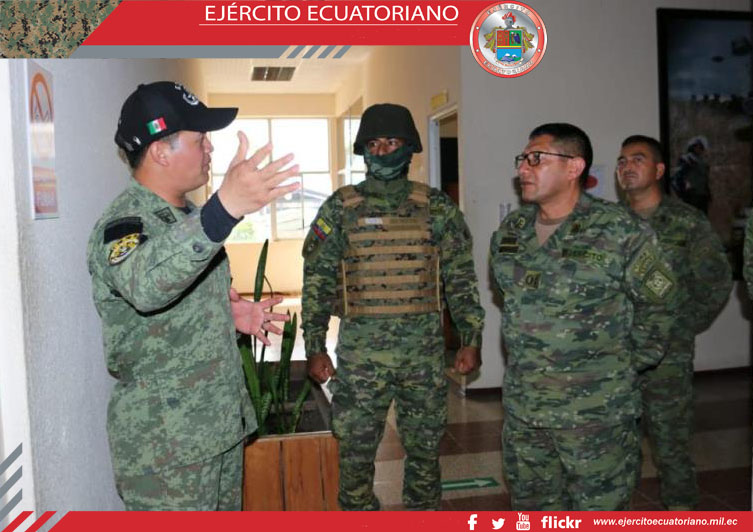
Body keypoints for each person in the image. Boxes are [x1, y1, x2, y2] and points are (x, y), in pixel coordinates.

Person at [86, 81, 300, 510]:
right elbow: (145, 286)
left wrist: (227, 315)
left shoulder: (185, 215)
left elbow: (173, 302)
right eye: (200, 139)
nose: (210, 148)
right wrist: (226, 207)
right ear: (161, 151)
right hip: (167, 448)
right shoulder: (126, 222)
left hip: (215, 429)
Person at [301, 103, 484, 510]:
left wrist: (471, 338)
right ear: (362, 150)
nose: (382, 151)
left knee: (425, 450)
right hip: (361, 358)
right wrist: (314, 346)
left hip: (422, 357)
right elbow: (317, 280)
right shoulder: (340, 207)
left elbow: (460, 277)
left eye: (391, 142)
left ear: (410, 148)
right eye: (373, 144)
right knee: (355, 451)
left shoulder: (436, 207)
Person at [490, 123, 677, 510]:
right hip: (526, 413)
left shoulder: (621, 231)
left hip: (597, 414)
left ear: (574, 167)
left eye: (536, 159)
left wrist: (623, 366)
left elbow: (660, 305)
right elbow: (511, 299)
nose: (523, 168)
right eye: (522, 159)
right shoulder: (511, 232)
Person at [617, 135, 732, 509]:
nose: (627, 167)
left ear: (659, 170)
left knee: (671, 449)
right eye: (622, 161)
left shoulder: (686, 222)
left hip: (668, 359)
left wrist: (682, 326)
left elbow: (716, 280)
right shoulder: (610, 225)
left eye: (637, 159)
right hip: (616, 358)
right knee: (615, 454)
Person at [670, 136, 711, 214]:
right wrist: (683, 192)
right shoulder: (687, 160)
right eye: (698, 147)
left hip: (702, 197)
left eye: (701, 147)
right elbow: (677, 178)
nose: (700, 149)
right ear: (692, 147)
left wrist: (708, 193)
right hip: (691, 196)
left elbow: (705, 179)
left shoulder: (703, 162)